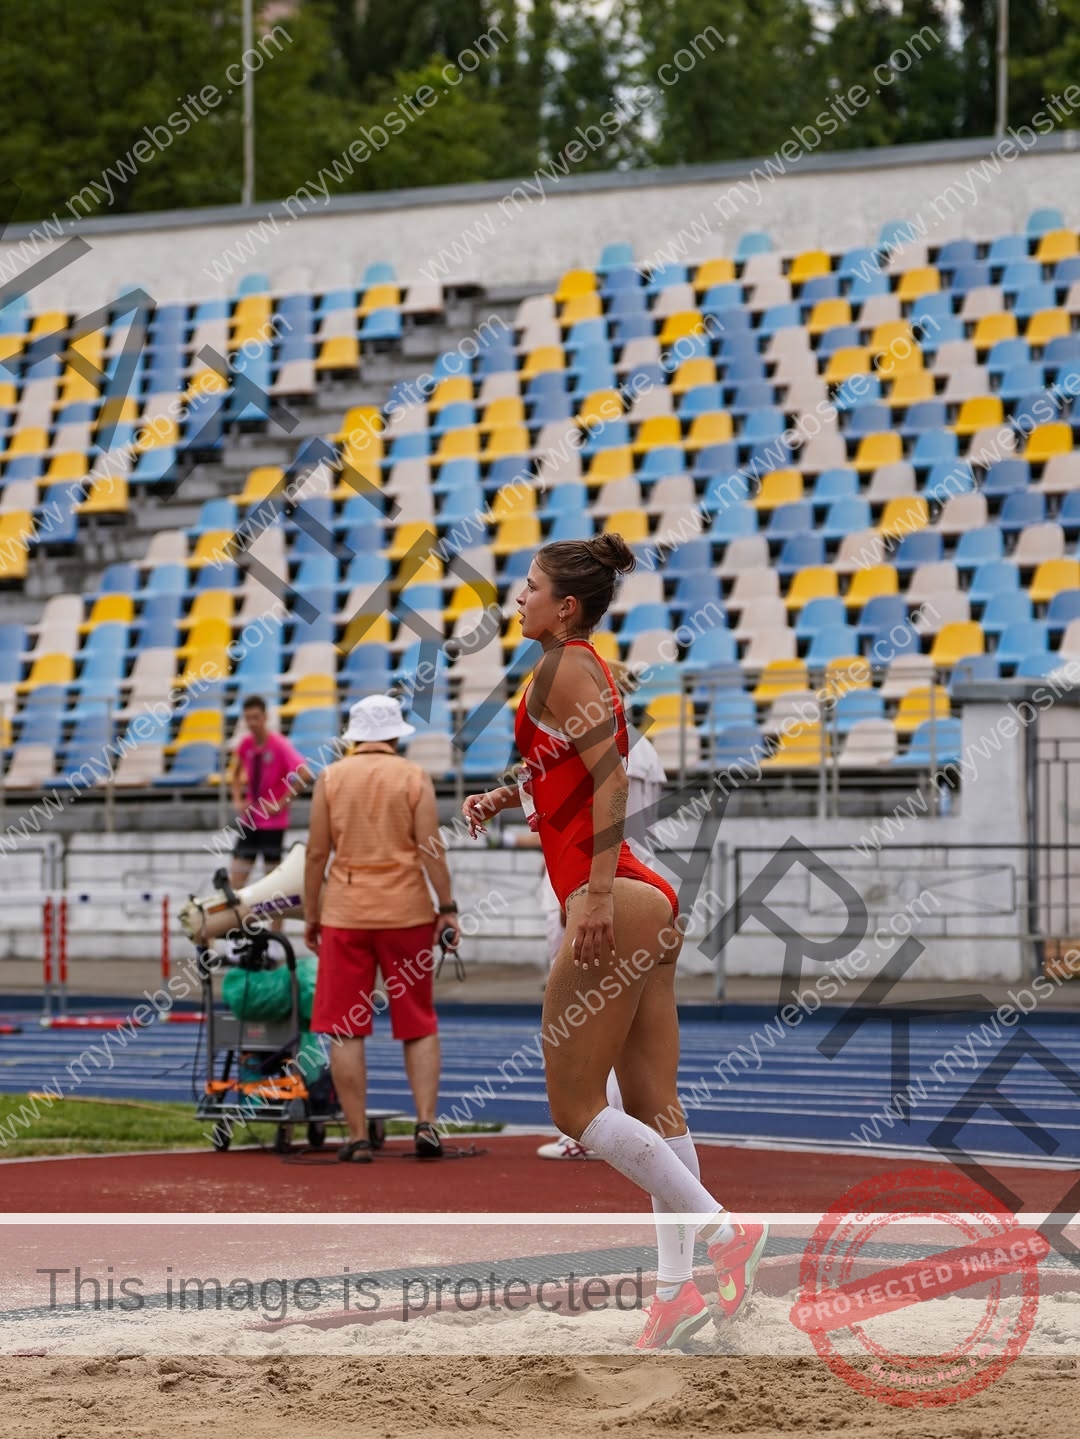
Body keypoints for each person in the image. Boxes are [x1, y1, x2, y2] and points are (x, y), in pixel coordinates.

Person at [462, 536, 767, 1350]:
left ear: (566, 606)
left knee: (573, 1106)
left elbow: (609, 778)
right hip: (644, 897)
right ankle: (674, 1294)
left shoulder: (567, 666)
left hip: (617, 895)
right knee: (652, 1102)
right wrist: (506, 793)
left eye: (528, 588)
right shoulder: (570, 670)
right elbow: (566, 764)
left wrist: (592, 895)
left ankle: (723, 1230)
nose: (515, 599)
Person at [305, 694, 460, 1163]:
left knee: (345, 1027)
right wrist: (447, 906)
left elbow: (316, 854)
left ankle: (355, 1136)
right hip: (407, 911)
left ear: (354, 736)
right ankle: (426, 1124)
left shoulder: (331, 777)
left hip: (346, 912)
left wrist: (312, 913)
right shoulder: (413, 777)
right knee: (417, 1021)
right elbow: (431, 848)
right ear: (394, 735)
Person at [535, 659, 666, 1161]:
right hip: (639, 879)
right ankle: (628, 1129)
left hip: (603, 879)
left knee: (583, 1018)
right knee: (639, 1049)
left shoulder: (603, 747)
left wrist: (598, 892)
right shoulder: (643, 749)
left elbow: (599, 807)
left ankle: (588, 1128)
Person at [230, 695, 312, 929]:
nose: (252, 723)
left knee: (274, 887)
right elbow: (235, 772)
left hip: (272, 825)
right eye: (248, 718)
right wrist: (238, 798)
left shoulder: (279, 745)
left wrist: (281, 802)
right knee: (236, 881)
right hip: (250, 822)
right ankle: (236, 940)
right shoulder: (245, 745)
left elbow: (304, 774)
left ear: (265, 717)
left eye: (256, 717)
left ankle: (275, 942)